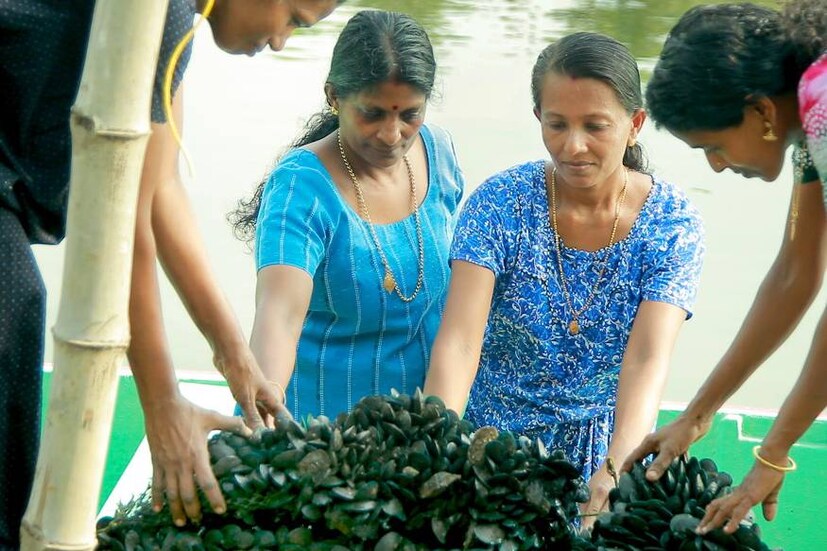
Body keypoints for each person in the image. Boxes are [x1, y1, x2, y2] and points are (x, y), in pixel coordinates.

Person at [0, 0, 340, 546]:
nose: (280, 41)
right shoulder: (160, 11)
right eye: (294, 20)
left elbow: (159, 190)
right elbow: (122, 212)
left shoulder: (168, 17)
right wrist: (162, 408)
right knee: (12, 312)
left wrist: (235, 355)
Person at [422, 32, 705, 525]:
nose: (573, 146)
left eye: (595, 126)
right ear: (539, 120)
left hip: (605, 441)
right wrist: (437, 448)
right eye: (556, 125)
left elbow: (646, 358)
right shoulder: (500, 203)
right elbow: (460, 343)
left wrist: (617, 466)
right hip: (490, 438)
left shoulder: (672, 222)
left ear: (635, 124)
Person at [622, 0, 827, 536]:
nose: (716, 165)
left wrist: (776, 449)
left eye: (714, 146)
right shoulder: (808, 120)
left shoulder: (823, 102)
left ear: (760, 111)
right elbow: (794, 273)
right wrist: (697, 414)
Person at [231, 10, 464, 422]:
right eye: (372, 114)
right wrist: (263, 413)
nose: (392, 135)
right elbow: (280, 315)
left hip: (421, 425)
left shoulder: (439, 154)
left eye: (409, 114)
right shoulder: (301, 185)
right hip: (318, 427)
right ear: (334, 97)